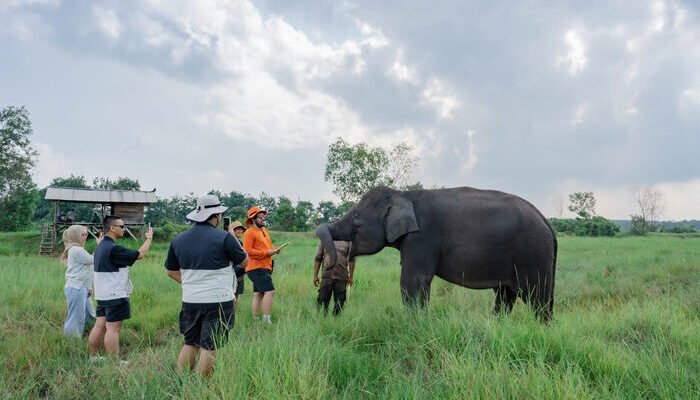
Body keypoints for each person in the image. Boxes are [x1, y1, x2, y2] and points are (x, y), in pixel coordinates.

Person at [165, 195, 248, 377]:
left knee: (190, 343)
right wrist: (234, 240)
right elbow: (244, 263)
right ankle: (200, 388)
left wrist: (192, 283)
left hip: (190, 300)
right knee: (210, 346)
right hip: (218, 301)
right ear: (216, 216)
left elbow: (171, 271)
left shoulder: (179, 240)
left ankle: (181, 382)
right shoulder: (225, 237)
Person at [88, 216, 153, 362]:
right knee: (113, 329)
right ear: (112, 228)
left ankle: (92, 357)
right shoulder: (113, 248)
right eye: (122, 226)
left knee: (99, 326)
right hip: (114, 294)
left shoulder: (99, 247)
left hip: (102, 294)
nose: (124, 229)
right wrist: (149, 239)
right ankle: (114, 362)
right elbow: (140, 255)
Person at [243, 206, 282, 324]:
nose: (263, 219)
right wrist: (267, 252)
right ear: (253, 219)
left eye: (263, 217)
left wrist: (274, 250)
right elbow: (247, 251)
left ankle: (255, 319)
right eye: (260, 218)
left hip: (266, 266)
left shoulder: (264, 230)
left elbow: (267, 247)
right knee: (270, 291)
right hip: (256, 267)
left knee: (258, 294)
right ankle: (266, 320)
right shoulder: (249, 233)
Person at [61, 225, 101, 337]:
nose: (85, 237)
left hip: (81, 287)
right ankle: (71, 341)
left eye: (86, 234)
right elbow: (93, 260)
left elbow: (88, 269)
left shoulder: (78, 249)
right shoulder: (76, 250)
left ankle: (92, 334)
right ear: (74, 236)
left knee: (90, 314)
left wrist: (89, 287)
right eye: (82, 234)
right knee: (76, 317)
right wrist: (99, 246)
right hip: (76, 288)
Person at [313, 240, 355, 315]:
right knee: (322, 302)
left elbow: (351, 259)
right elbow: (318, 258)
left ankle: (336, 323)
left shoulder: (348, 241)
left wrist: (351, 277)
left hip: (341, 278)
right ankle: (322, 321)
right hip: (326, 277)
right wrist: (315, 275)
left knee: (339, 304)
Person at [227, 220, 247, 311]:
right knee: (228, 297)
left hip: (239, 274)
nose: (240, 231)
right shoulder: (228, 243)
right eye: (237, 229)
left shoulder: (240, 243)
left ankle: (232, 316)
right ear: (232, 231)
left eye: (241, 229)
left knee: (236, 296)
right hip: (231, 274)